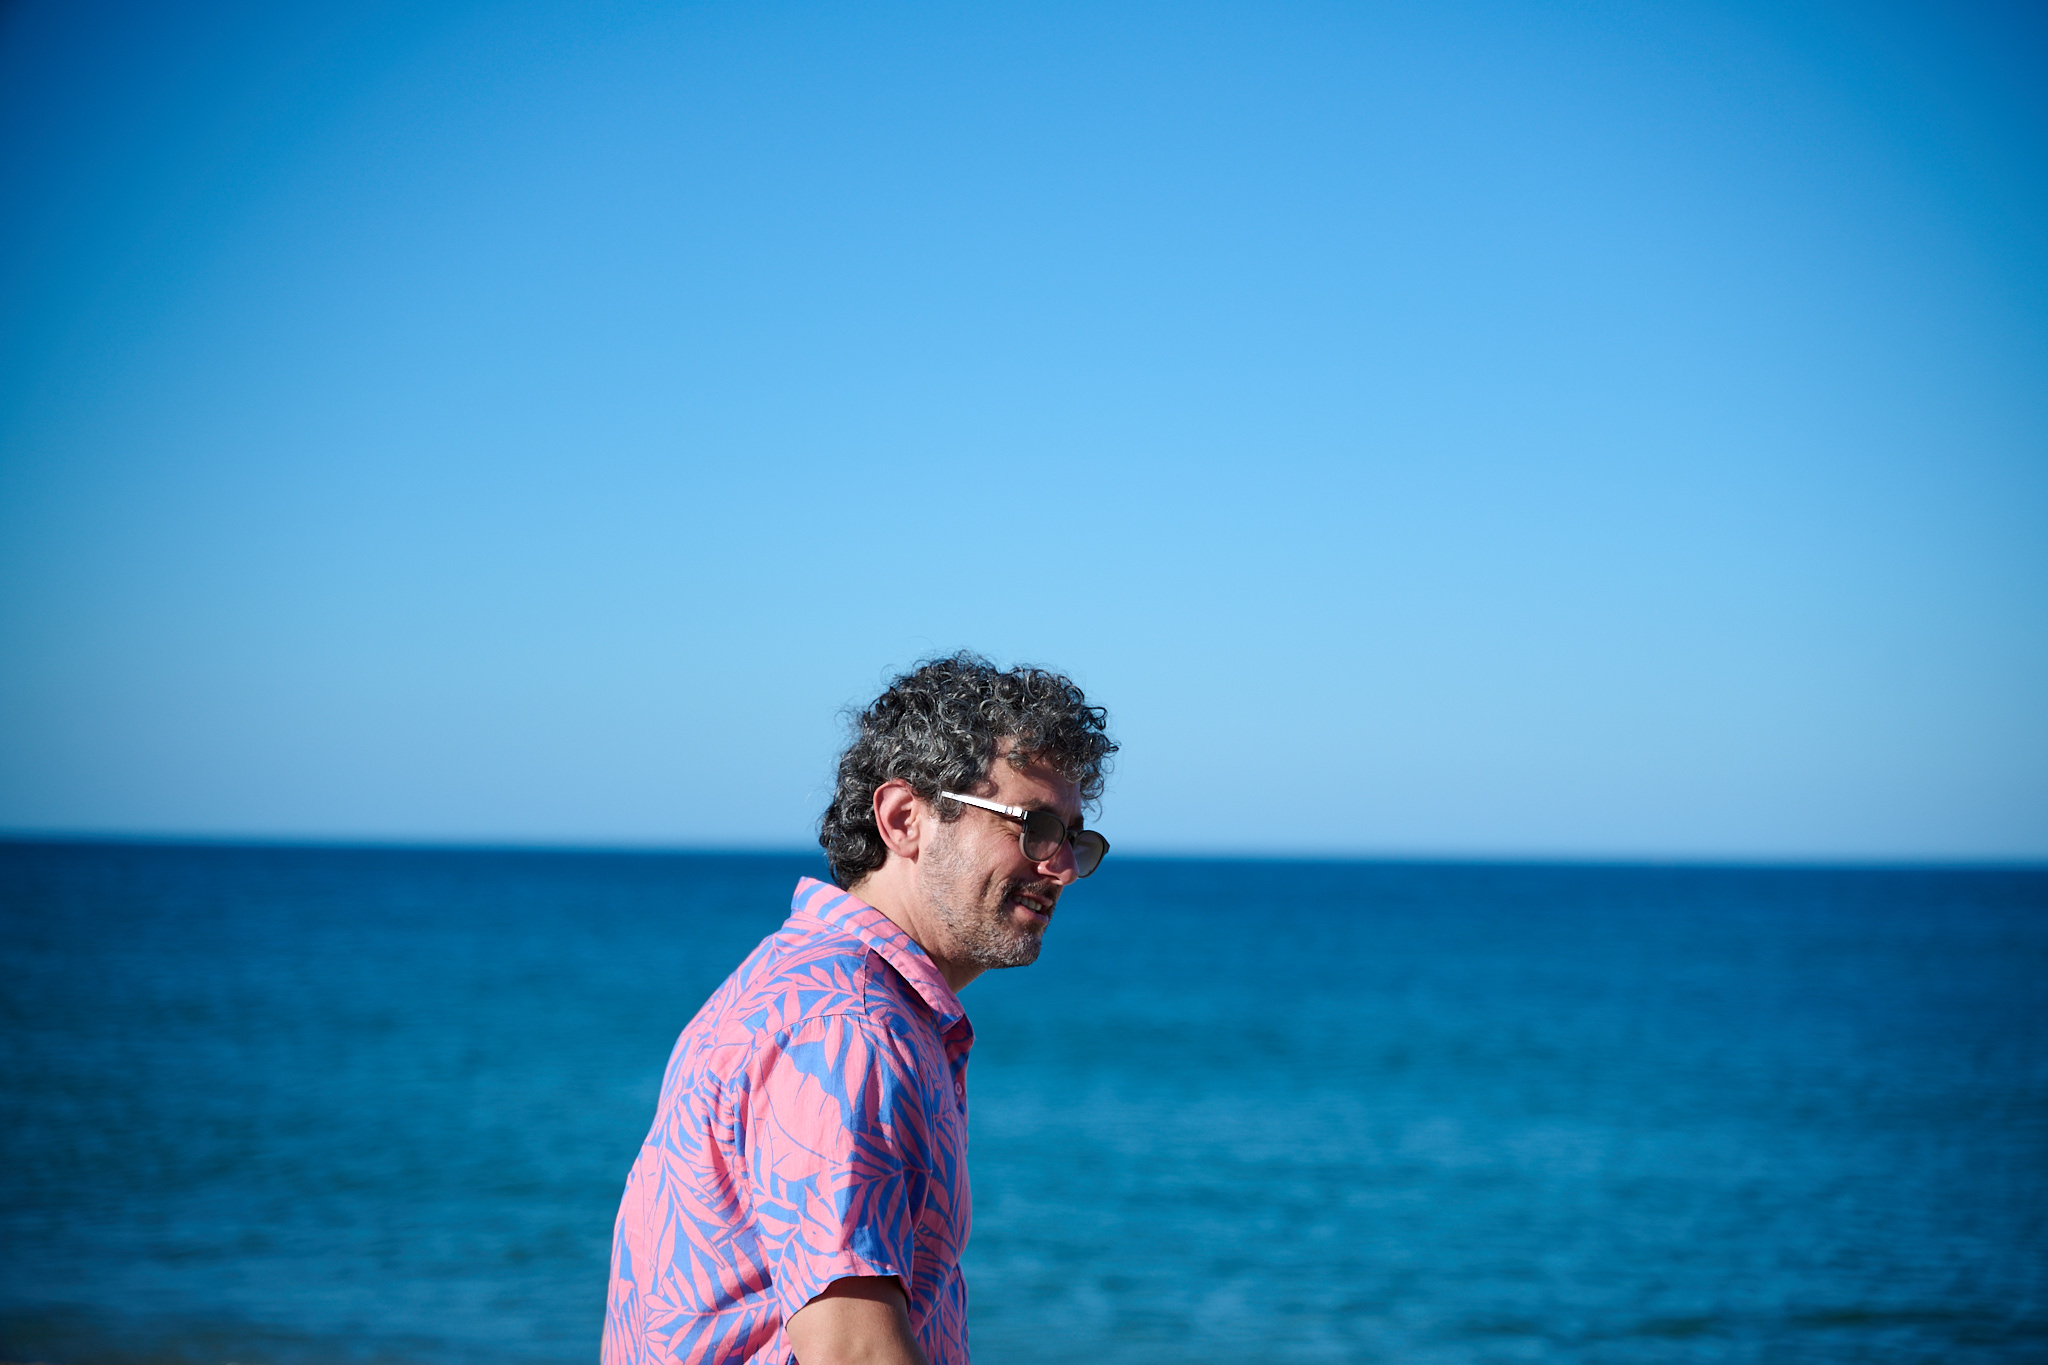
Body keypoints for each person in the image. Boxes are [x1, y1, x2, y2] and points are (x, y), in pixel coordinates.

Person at [602, 653, 1116, 1365]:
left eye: (1072, 838)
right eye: (1032, 826)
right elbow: (854, 1353)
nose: (1059, 864)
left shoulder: (808, 984)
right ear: (905, 818)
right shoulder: (848, 1027)